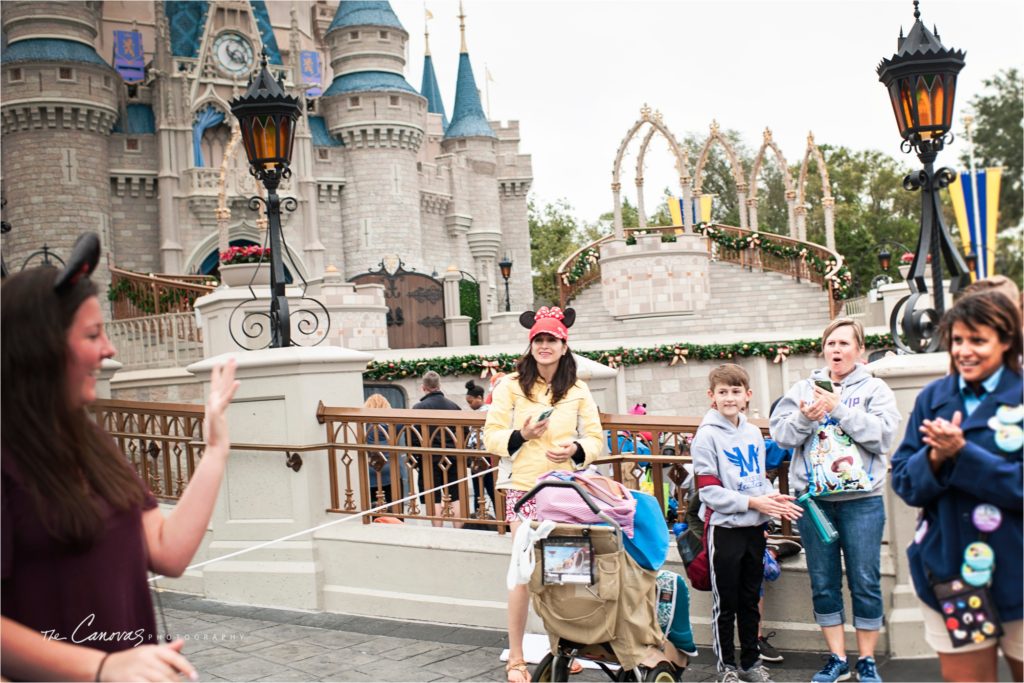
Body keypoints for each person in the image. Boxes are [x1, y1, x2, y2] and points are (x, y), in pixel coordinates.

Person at [1, 233, 239, 682]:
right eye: (93, 334)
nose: (110, 350)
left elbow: (168, 552)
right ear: (40, 349)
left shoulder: (93, 441)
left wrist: (215, 449)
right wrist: (102, 667)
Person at [890, 290, 1023, 683]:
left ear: (1007, 341)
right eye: (958, 340)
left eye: (978, 340)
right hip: (957, 576)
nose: (965, 351)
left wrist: (963, 454)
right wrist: (934, 458)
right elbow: (904, 482)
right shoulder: (935, 398)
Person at [769, 318, 901, 683]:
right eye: (831, 343)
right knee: (823, 580)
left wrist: (838, 408)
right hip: (815, 503)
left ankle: (868, 660)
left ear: (858, 349)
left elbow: (883, 437)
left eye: (845, 343)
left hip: (862, 502)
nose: (837, 350)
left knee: (865, 578)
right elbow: (780, 435)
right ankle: (837, 658)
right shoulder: (801, 388)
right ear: (823, 349)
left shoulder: (876, 389)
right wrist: (805, 417)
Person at [483, 306, 604, 683]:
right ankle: (516, 657)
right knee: (522, 572)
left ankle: (562, 650)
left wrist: (575, 450)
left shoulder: (578, 390)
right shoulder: (511, 386)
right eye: (539, 339)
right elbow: (492, 437)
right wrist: (524, 436)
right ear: (531, 345)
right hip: (525, 490)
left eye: (552, 339)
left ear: (564, 345)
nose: (545, 345)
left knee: (564, 573)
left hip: (565, 491)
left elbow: (595, 438)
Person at [692, 364, 802, 683]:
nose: (729, 397)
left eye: (735, 391)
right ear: (712, 397)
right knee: (725, 602)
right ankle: (726, 668)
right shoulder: (706, 436)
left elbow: (757, 481)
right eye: (723, 392)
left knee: (750, 599)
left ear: (747, 396)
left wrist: (774, 499)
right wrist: (755, 502)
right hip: (724, 530)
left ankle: (751, 663)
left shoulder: (753, 432)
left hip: (755, 529)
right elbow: (709, 491)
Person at [412, 371, 463, 527]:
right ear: (439, 386)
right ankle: (459, 530)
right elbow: (464, 432)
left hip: (429, 460)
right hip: (453, 457)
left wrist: (415, 458)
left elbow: (413, 437)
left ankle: (438, 532)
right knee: (456, 496)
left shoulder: (418, 408)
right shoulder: (454, 406)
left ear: (423, 388)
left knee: (432, 495)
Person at [465, 380, 496, 517]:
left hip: (485, 456)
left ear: (479, 398)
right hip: (482, 456)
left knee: (484, 489)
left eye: (471, 402)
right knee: (487, 489)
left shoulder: (486, 411)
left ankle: (480, 516)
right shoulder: (483, 410)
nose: (469, 405)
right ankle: (493, 515)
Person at [363, 394, 398, 507]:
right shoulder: (392, 425)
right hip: (392, 468)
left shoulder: (365, 426)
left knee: (375, 505)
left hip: (372, 468)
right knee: (395, 504)